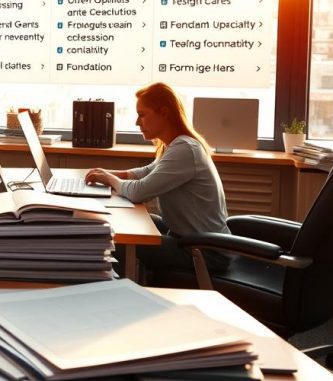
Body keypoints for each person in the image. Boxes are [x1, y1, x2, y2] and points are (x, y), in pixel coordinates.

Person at [84, 82, 230, 275]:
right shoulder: (175, 145)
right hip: (187, 239)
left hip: (204, 252)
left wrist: (110, 179)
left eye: (142, 114)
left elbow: (139, 192)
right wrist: (110, 174)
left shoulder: (185, 149)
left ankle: (120, 294)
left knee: (114, 239)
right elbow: (148, 171)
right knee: (122, 222)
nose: (137, 122)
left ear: (164, 112)